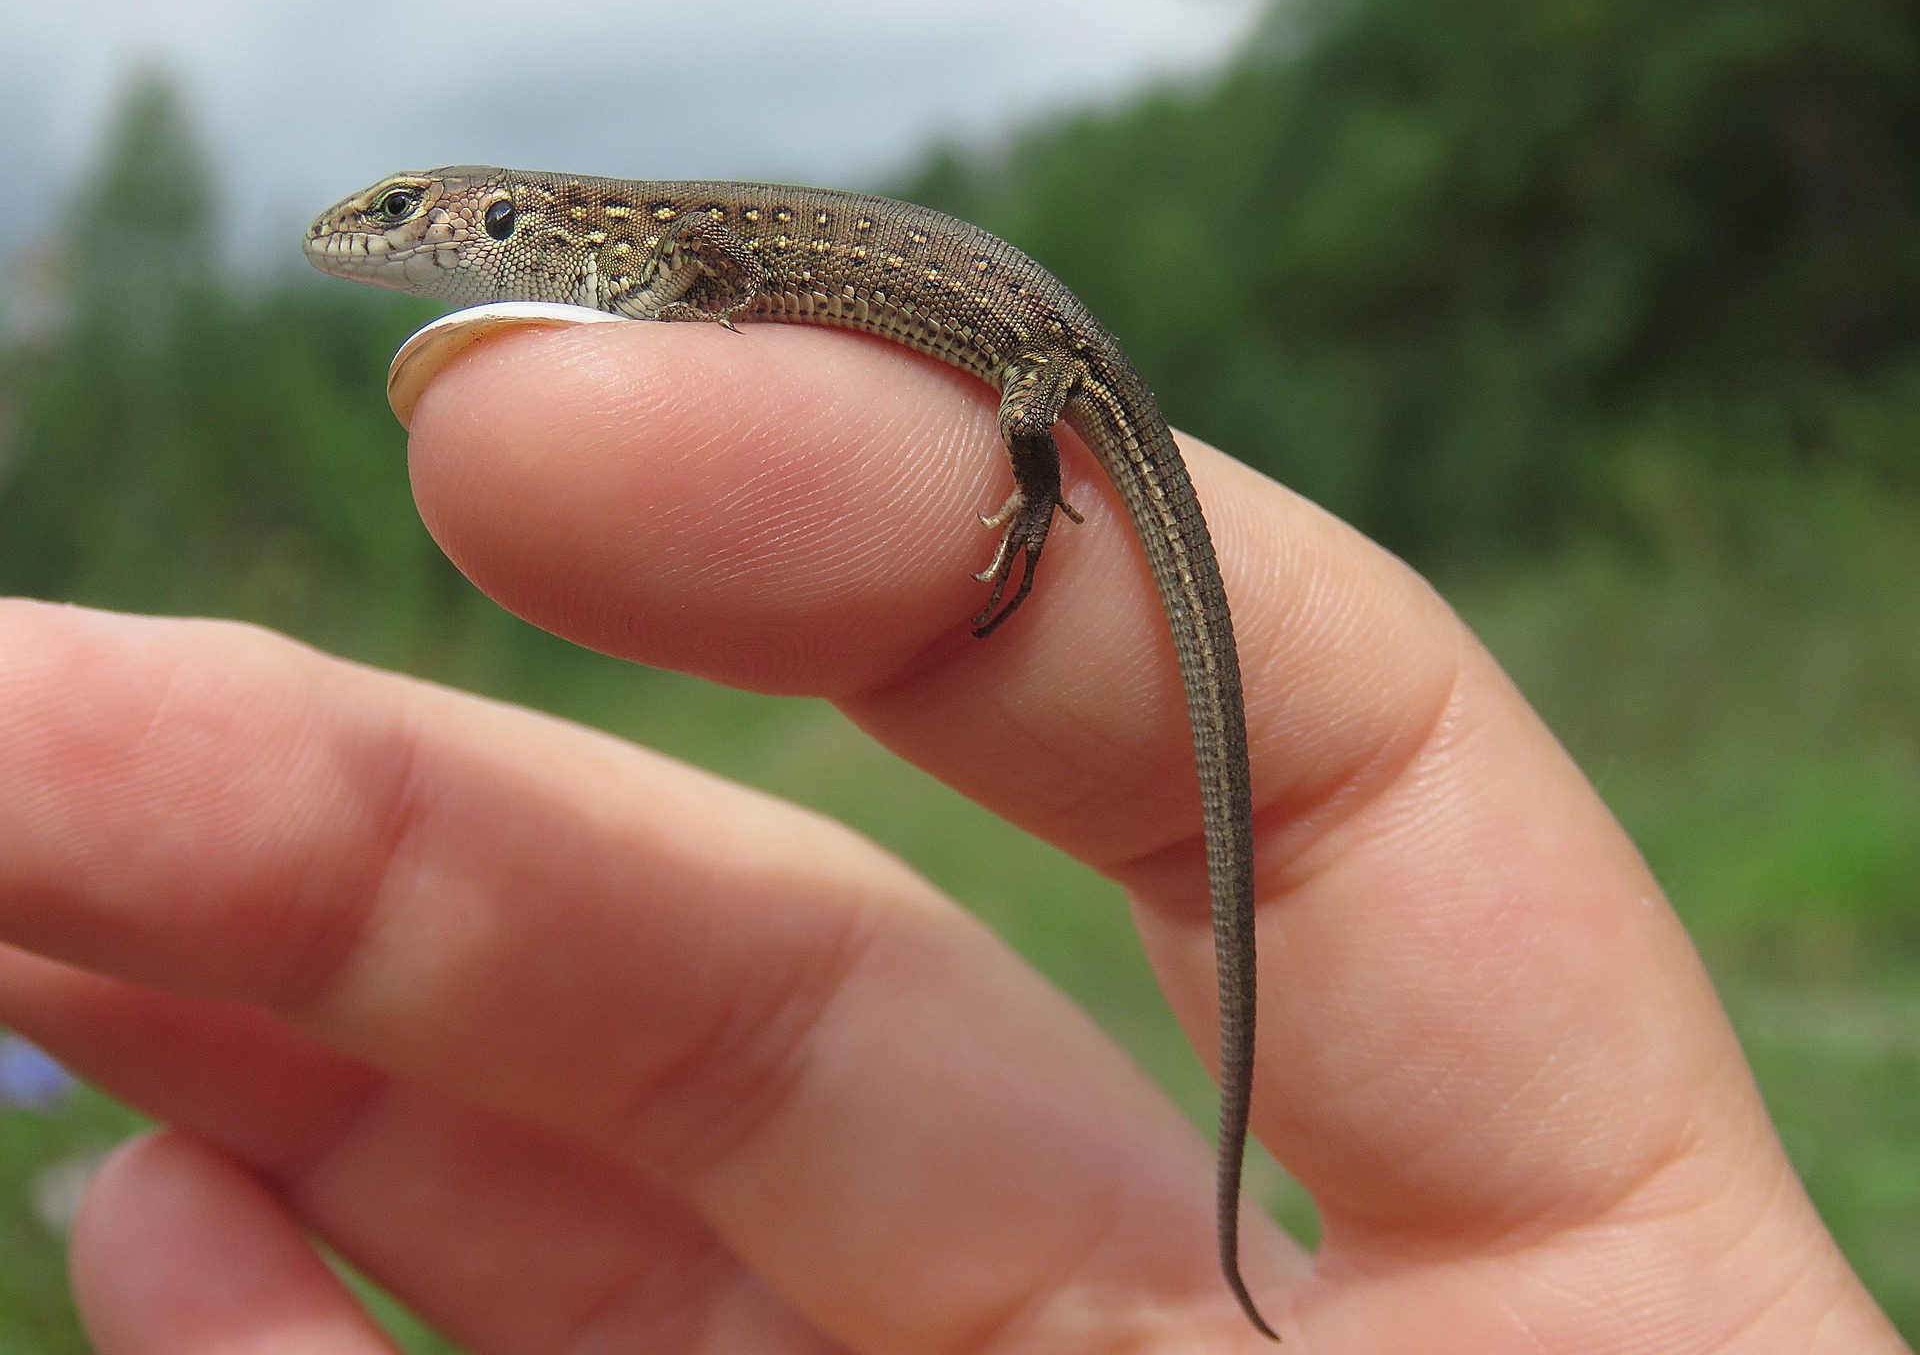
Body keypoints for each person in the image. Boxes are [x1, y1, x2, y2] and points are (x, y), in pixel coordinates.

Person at [0, 314, 1902, 1352]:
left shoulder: (660, 257)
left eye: (413, 221)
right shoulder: (652, 254)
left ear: (505, 228)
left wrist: (1024, 489)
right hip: (1033, 366)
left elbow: (946, 372)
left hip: (1050, 376)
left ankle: (1021, 511)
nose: (381, 247)